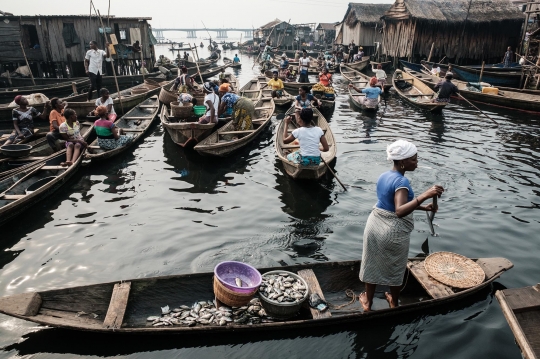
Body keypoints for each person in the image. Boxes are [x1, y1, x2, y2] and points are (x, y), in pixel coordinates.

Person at [359, 140, 444, 311]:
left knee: (371, 262)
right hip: (391, 232)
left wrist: (423, 207)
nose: (417, 162)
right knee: (396, 267)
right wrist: (425, 195)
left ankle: (367, 302)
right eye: (413, 159)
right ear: (403, 162)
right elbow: (399, 211)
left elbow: (390, 203)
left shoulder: (384, 176)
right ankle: (394, 301)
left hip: (374, 226)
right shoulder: (402, 183)